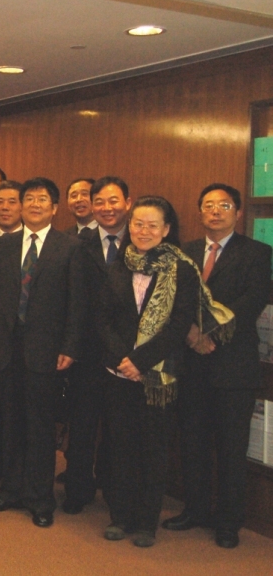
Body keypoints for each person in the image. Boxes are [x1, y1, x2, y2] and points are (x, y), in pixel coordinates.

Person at [100, 196, 228, 548]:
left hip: (158, 375)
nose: (143, 231)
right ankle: (120, 517)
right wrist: (122, 359)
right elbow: (103, 319)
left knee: (152, 449)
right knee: (121, 446)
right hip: (117, 371)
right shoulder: (118, 265)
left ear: (166, 229)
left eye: (152, 225)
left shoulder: (182, 268)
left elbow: (178, 324)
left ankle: (146, 523)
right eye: (138, 224)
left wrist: (140, 361)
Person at [0, 177, 86, 529]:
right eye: (30, 199)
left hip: (47, 351)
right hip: (6, 348)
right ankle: (10, 490)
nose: (35, 205)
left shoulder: (69, 246)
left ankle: (40, 498)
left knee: (40, 427)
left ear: (55, 208)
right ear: (21, 206)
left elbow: (77, 303)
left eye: (43, 200)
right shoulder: (3, 245)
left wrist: (70, 346)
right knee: (9, 422)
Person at [172, 184, 271, 549]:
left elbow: (250, 304)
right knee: (193, 441)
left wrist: (209, 335)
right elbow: (176, 300)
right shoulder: (186, 253)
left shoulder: (258, 253)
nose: (216, 212)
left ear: (238, 212)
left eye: (224, 205)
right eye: (209, 206)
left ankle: (229, 521)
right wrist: (190, 335)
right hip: (192, 363)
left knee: (231, 447)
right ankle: (194, 510)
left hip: (233, 365)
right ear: (200, 212)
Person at [62, 176, 131, 515]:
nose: (106, 208)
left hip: (129, 354)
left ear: (127, 203)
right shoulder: (78, 242)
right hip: (86, 351)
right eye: (99, 202)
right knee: (82, 423)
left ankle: (116, 491)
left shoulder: (143, 239)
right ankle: (78, 488)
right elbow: (71, 300)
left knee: (119, 429)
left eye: (113, 201)